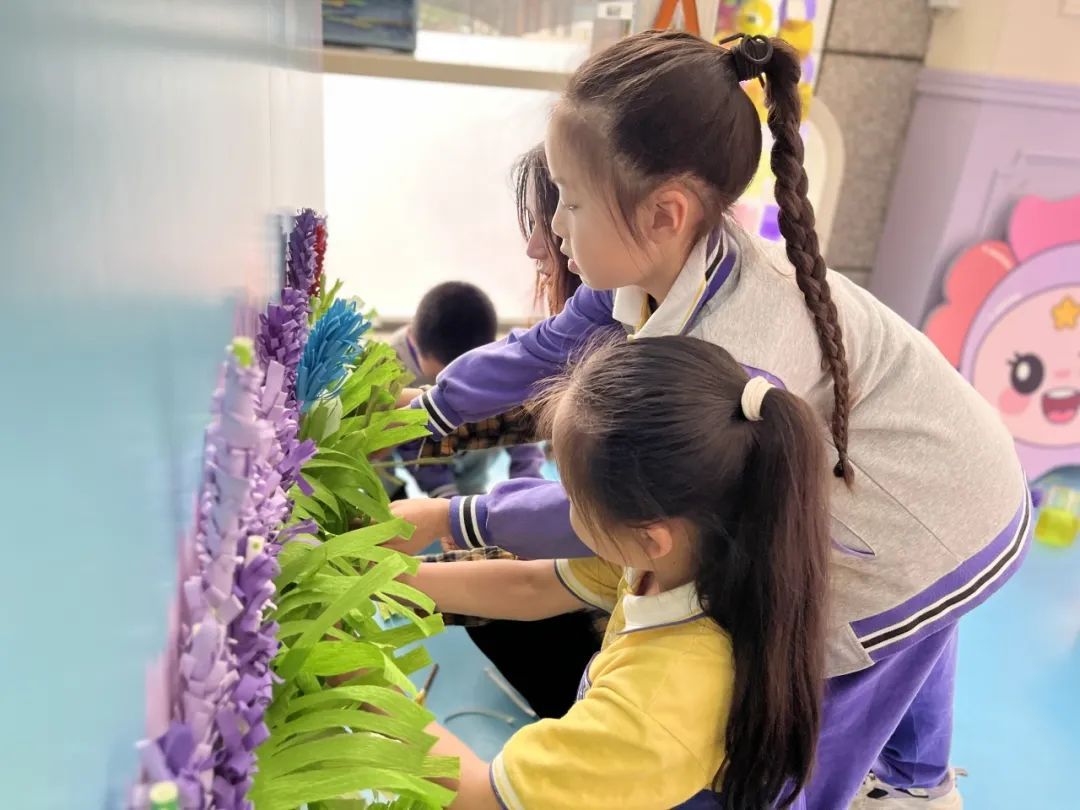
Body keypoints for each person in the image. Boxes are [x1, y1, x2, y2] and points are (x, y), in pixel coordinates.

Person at [392, 31, 1031, 809]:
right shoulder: (654, 262)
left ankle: (897, 788)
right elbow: (542, 351)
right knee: (909, 638)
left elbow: (602, 511)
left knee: (826, 693)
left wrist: (453, 519)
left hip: (936, 508)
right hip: (934, 476)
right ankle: (918, 778)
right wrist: (428, 410)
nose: (553, 227)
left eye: (571, 199)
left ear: (664, 212)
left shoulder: (732, 349)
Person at [416, 336, 832, 808]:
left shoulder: (663, 698)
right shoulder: (679, 558)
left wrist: (365, 682)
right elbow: (531, 585)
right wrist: (390, 579)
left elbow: (481, 798)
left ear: (650, 536)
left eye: (573, 499)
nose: (561, 506)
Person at [397, 157, 602, 721]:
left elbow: (544, 580)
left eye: (558, 214)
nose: (537, 245)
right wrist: (420, 413)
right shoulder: (612, 310)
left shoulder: (639, 344)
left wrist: (453, 518)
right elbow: (528, 372)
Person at [388, 280, 545, 498]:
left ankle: (470, 494)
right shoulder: (391, 364)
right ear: (415, 342)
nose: (450, 385)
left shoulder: (494, 364)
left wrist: (527, 485)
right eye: (441, 380)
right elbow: (412, 444)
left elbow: (520, 423)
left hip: (471, 462)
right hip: (415, 452)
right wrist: (444, 495)